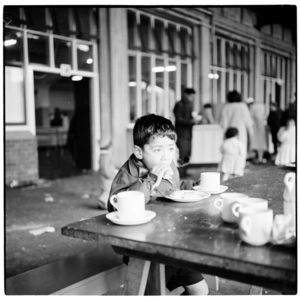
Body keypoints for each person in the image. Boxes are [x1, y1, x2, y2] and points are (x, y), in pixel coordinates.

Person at [108, 113, 209, 295]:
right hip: (144, 249)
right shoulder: (128, 174)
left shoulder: (170, 166)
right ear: (139, 152)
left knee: (200, 291)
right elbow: (117, 206)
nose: (166, 157)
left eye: (170, 149)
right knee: (155, 293)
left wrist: (195, 187)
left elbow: (173, 189)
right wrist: (150, 179)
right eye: (157, 150)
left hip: (172, 242)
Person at [219, 90, 253, 166]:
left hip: (229, 133)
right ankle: (239, 170)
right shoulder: (243, 106)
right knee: (241, 152)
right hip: (241, 133)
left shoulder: (225, 107)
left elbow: (223, 123)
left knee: (228, 153)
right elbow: (248, 122)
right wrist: (251, 135)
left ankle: (229, 171)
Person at [173, 87, 200, 176]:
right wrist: (191, 121)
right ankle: (180, 173)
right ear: (186, 95)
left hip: (188, 133)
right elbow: (179, 119)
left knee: (187, 153)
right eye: (191, 96)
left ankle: (184, 171)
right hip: (181, 133)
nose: (192, 99)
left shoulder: (189, 105)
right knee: (182, 153)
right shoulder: (179, 105)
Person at [97, 143, 118, 209]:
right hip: (108, 177)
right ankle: (103, 202)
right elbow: (105, 170)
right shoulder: (106, 156)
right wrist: (112, 175)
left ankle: (104, 203)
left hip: (106, 176)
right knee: (108, 190)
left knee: (107, 189)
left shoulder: (103, 156)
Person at [249, 100, 268, 164]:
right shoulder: (261, 107)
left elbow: (250, 116)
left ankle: (259, 158)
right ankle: (260, 157)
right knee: (260, 143)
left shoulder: (253, 108)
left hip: (257, 128)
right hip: (260, 128)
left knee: (259, 143)